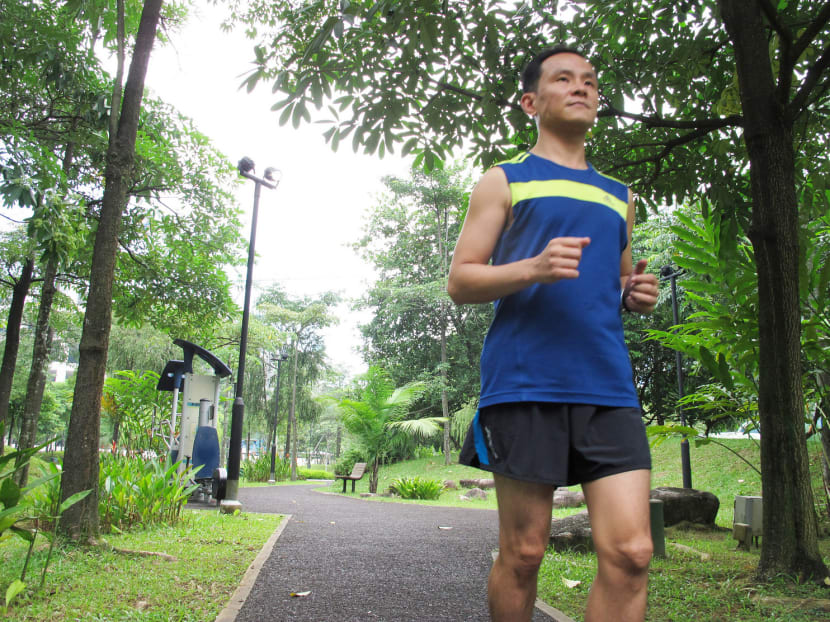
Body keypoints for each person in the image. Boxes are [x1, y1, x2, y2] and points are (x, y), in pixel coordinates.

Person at [447, 45, 659, 622]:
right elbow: (461, 280)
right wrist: (533, 268)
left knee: (633, 552)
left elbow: (616, 283)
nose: (581, 87)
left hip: (608, 388)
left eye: (590, 80)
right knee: (524, 552)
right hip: (524, 385)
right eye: (563, 79)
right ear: (531, 102)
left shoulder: (620, 195)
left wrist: (634, 294)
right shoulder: (505, 180)